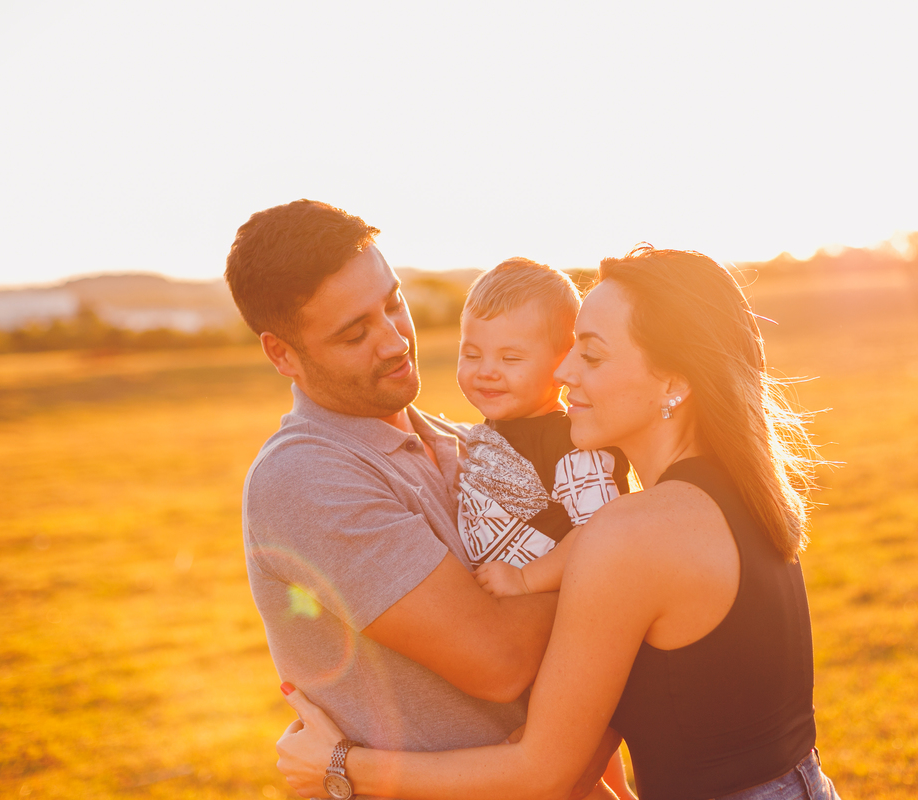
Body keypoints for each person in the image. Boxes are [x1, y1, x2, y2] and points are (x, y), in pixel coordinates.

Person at [276, 246, 841, 799]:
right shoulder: (725, 492)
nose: (564, 371)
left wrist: (341, 766)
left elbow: (542, 774)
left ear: (674, 381)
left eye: (590, 356)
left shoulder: (633, 533)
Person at [225, 200, 622, 800]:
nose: (393, 341)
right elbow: (502, 661)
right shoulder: (303, 476)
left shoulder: (471, 442)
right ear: (282, 354)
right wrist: (618, 580)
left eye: (392, 304)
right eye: (354, 332)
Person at [454, 257, 629, 596]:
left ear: (563, 361)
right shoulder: (492, 430)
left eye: (511, 358)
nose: (486, 371)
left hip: (554, 608)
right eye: (472, 355)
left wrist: (527, 579)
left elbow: (601, 532)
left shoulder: (573, 443)